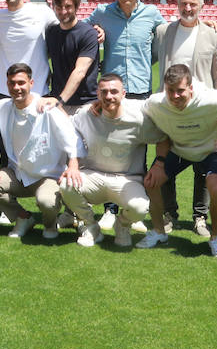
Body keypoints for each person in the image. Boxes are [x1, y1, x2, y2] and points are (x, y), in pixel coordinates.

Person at [138, 64, 217, 258]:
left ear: (191, 88)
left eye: (180, 91)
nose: (175, 96)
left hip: (212, 149)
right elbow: (132, 107)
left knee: (216, 188)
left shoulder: (212, 99)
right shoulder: (156, 103)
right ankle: (158, 232)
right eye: (170, 91)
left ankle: (215, 238)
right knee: (151, 182)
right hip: (179, 149)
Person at [153, 0, 217, 238]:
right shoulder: (163, 32)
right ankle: (169, 213)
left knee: (202, 167)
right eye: (184, 3)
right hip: (170, 108)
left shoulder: (214, 36)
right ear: (177, 4)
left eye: (193, 5)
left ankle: (200, 217)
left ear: (202, 7)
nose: (188, 8)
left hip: (203, 111)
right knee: (164, 159)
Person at [60, 72, 162, 248]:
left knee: (139, 208)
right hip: (92, 175)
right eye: (104, 92)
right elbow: (68, 131)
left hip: (126, 179)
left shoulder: (138, 119)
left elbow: (162, 137)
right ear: (97, 94)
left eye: (114, 92)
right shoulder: (86, 114)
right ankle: (91, 226)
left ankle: (122, 225)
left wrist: (159, 163)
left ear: (124, 94)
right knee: (66, 184)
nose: (109, 96)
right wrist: (73, 164)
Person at [0, 63, 78, 241]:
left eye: (21, 83)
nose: (16, 88)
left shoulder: (47, 108)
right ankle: (23, 218)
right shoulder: (4, 107)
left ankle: (50, 224)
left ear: (31, 83)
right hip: (18, 174)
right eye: (12, 83)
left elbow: (70, 137)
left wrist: (73, 165)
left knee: (47, 202)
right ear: (7, 84)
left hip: (48, 176)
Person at [86, 0, 164, 100]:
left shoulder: (151, 13)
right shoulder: (103, 12)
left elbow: (172, 30)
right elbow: (78, 28)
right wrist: (94, 29)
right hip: (111, 89)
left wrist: (197, 23)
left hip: (141, 87)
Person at [0, 0, 57, 98]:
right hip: (5, 91)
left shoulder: (42, 12)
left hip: (37, 90)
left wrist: (97, 27)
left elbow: (67, 29)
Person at [43, 0, 98, 112]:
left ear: (76, 7)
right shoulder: (51, 32)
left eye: (68, 7)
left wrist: (61, 100)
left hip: (84, 103)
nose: (63, 11)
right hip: (57, 100)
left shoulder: (88, 34)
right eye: (59, 7)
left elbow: (80, 71)